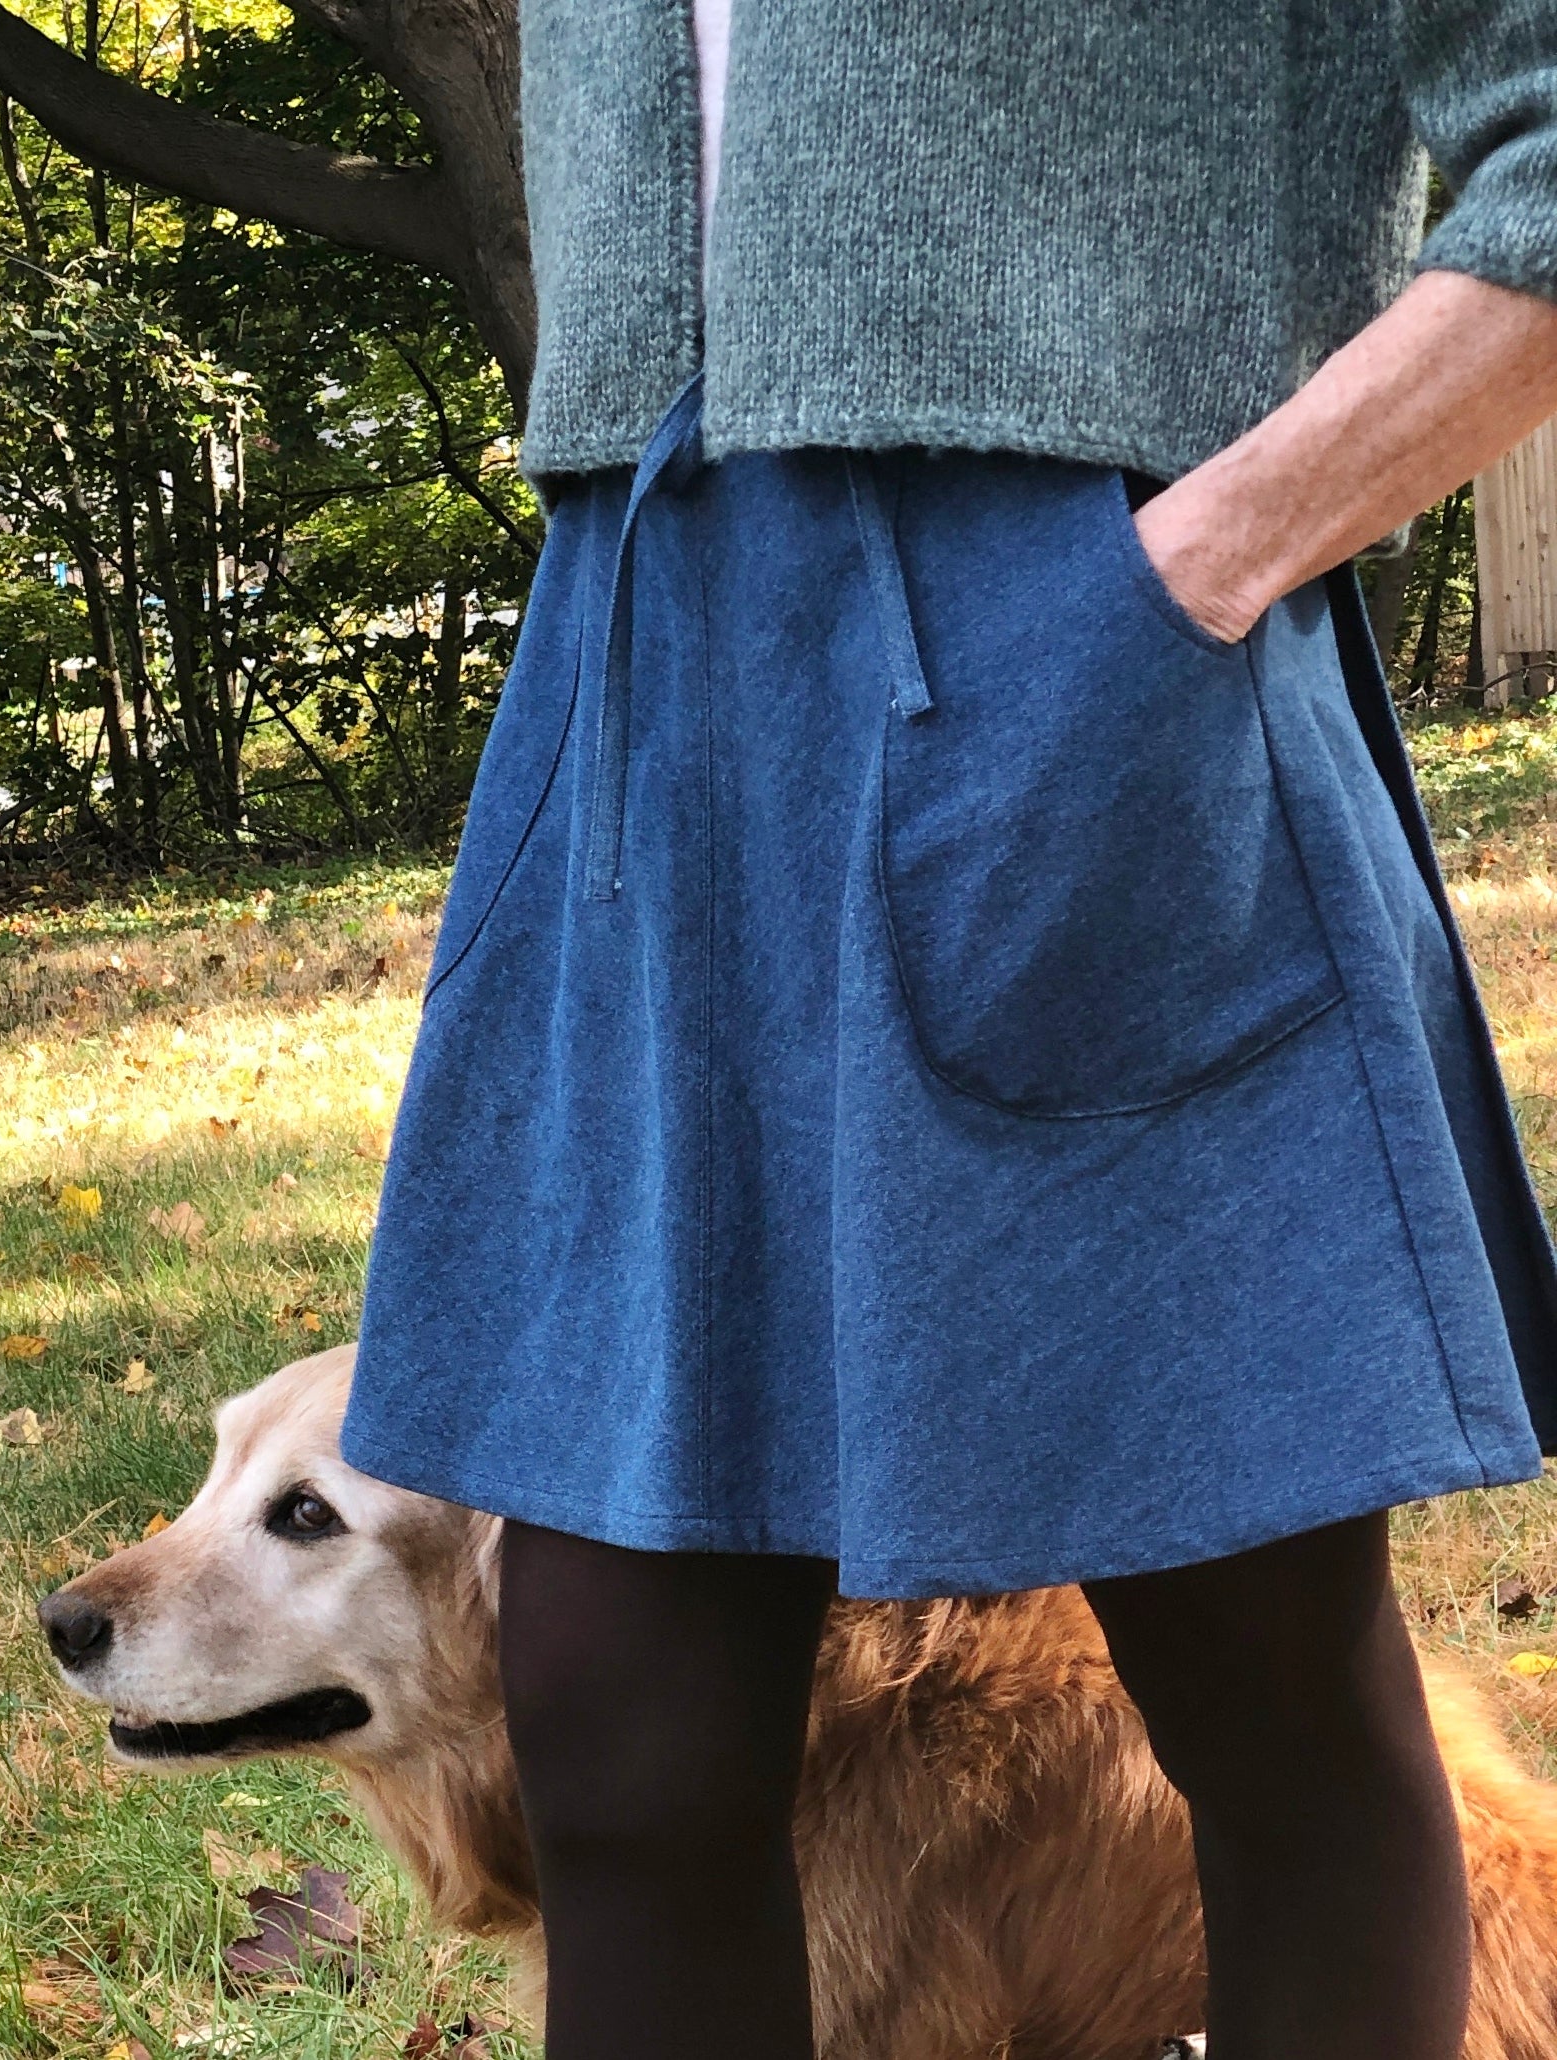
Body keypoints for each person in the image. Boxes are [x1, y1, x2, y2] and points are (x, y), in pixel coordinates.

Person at [342, 4, 1557, 2056]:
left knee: (1252, 1664)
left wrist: (1200, 562)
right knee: (617, 1718)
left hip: (1100, 667)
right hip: (641, 680)